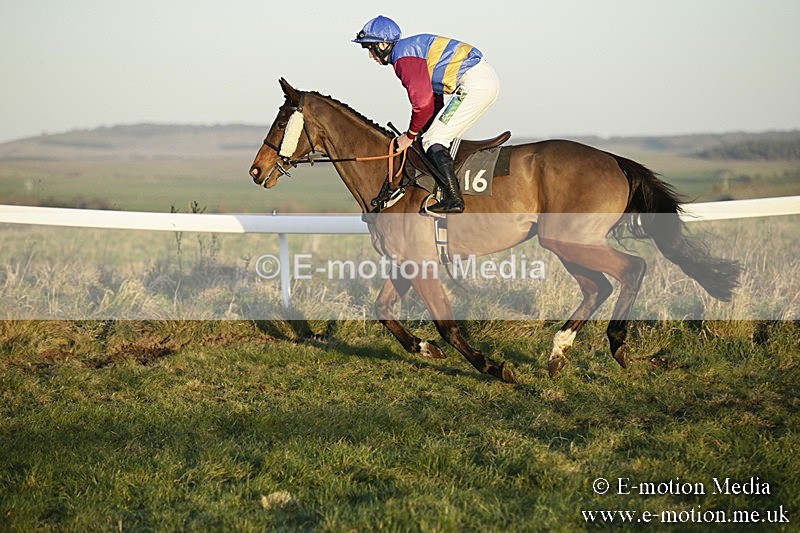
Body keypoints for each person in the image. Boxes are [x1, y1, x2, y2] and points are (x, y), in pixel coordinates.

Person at [353, 15, 500, 214]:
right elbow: (433, 100)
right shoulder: (409, 50)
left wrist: (410, 135)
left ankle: (453, 199)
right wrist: (420, 130)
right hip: (479, 80)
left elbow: (422, 104)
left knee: (434, 139)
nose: (370, 56)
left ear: (382, 44)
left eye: (369, 48)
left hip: (474, 84)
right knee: (431, 136)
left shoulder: (403, 59)